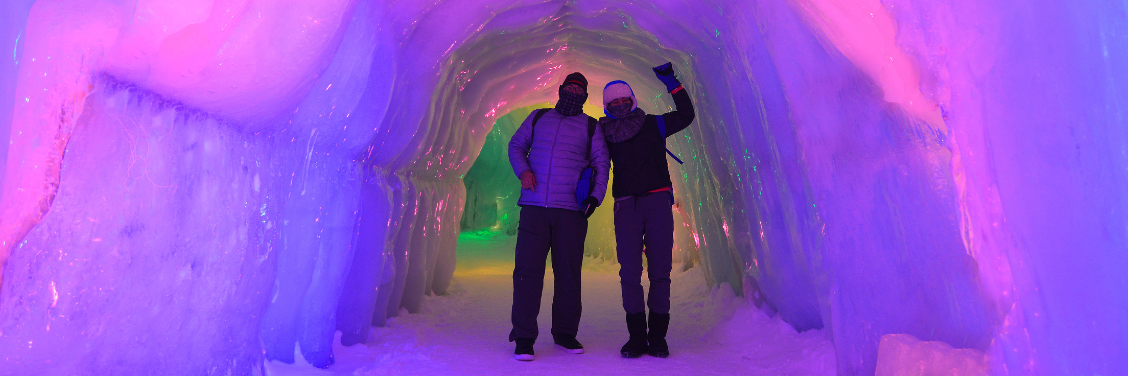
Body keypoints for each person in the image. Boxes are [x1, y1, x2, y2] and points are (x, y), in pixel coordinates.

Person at [506, 72, 611, 361]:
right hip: (534, 208)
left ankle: (565, 333)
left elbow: (602, 164)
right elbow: (516, 146)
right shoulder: (538, 118)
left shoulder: (591, 127)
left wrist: (595, 197)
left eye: (580, 89)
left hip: (570, 212)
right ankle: (524, 337)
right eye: (570, 87)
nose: (574, 91)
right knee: (527, 274)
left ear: (585, 95)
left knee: (568, 273)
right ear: (561, 88)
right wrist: (523, 171)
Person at [599, 63, 695, 358]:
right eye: (612, 102)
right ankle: (637, 337)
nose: (619, 105)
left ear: (632, 100)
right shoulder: (603, 133)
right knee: (629, 272)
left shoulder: (653, 124)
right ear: (607, 107)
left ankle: (658, 337)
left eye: (622, 99)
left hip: (656, 203)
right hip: (626, 205)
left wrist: (672, 82)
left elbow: (685, 116)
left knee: (660, 272)